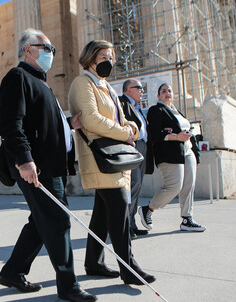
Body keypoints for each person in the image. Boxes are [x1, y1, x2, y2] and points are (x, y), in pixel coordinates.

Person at [0, 28, 96, 302]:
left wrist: (67, 123)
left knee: (41, 221)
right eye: (46, 48)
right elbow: (10, 124)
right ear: (29, 50)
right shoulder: (18, 77)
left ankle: (12, 272)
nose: (51, 53)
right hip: (36, 166)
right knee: (58, 221)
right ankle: (68, 285)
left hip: (50, 165)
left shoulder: (40, 81)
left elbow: (39, 122)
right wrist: (24, 159)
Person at [68, 39, 156, 286]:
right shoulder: (82, 83)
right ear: (90, 59)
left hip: (115, 155)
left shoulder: (106, 86)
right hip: (100, 155)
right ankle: (129, 268)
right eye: (104, 57)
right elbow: (91, 120)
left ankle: (93, 263)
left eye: (111, 57)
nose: (109, 62)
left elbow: (123, 118)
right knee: (119, 210)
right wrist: (125, 132)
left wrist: (132, 129)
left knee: (103, 212)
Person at [138, 83, 206, 232]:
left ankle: (187, 219)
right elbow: (156, 134)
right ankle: (148, 209)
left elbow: (190, 135)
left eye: (169, 90)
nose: (167, 93)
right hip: (170, 153)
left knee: (189, 186)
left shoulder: (178, 113)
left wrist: (196, 155)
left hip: (187, 152)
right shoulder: (156, 110)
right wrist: (176, 136)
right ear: (158, 96)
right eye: (163, 91)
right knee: (174, 186)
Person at [119, 78, 150, 238]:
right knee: (132, 185)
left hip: (142, 147)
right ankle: (125, 226)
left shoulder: (138, 107)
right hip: (131, 147)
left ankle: (131, 224)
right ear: (127, 90)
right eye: (138, 87)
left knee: (137, 187)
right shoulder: (121, 103)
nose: (142, 91)